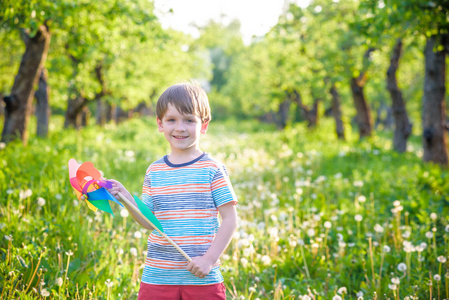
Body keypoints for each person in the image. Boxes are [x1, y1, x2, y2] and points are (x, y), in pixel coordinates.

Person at [107, 82, 238, 300]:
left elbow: (230, 220)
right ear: (160, 124)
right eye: (171, 120)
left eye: (189, 120)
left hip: (201, 278)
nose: (180, 127)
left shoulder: (212, 169)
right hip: (158, 276)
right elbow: (149, 221)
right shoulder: (154, 171)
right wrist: (124, 195)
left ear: (203, 125)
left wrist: (209, 259)